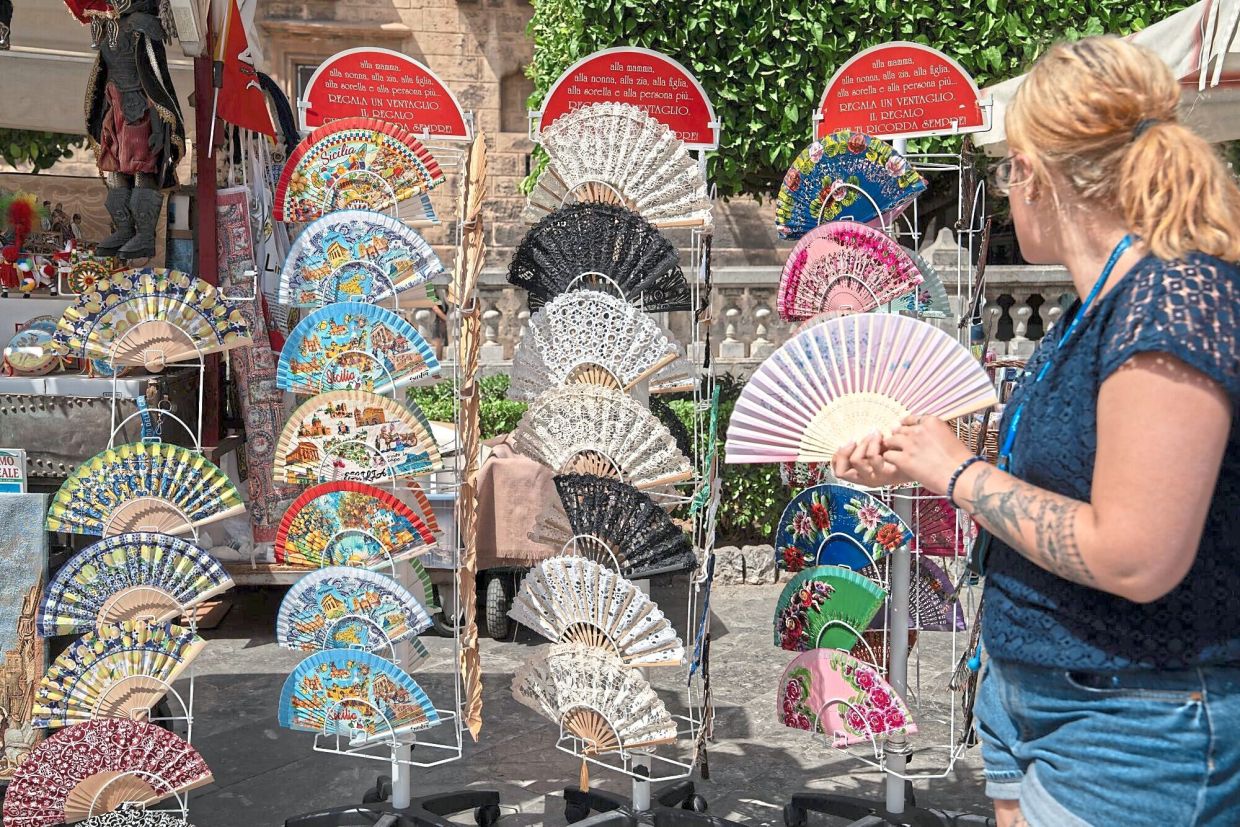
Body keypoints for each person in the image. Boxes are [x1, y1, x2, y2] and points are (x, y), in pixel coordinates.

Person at [831, 36, 1240, 827]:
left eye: (1002, 172)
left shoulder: (1176, 299)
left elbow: (1136, 551)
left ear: (1034, 174)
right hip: (1047, 705)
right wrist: (921, 455)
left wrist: (956, 472)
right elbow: (1075, 475)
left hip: (1135, 726)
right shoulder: (1100, 304)